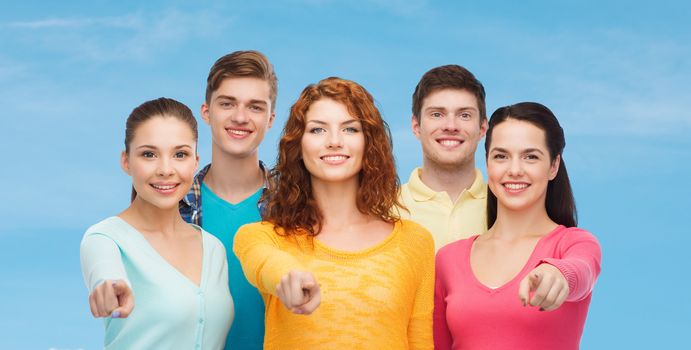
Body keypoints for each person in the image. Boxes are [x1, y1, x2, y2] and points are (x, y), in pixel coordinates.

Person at [234, 77, 435, 349]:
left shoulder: (415, 242)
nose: (334, 142)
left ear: (368, 143)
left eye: (350, 129)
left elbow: (420, 342)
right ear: (299, 146)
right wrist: (289, 275)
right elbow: (268, 265)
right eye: (318, 130)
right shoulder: (261, 238)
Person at [434, 102, 602, 350]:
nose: (514, 170)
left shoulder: (573, 244)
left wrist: (558, 273)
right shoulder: (448, 258)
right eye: (501, 156)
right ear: (488, 163)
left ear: (553, 166)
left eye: (530, 157)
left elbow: (581, 271)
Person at [80, 98, 233, 349]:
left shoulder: (214, 249)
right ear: (126, 161)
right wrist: (107, 287)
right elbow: (105, 273)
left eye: (180, 154)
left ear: (195, 162)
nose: (165, 169)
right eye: (149, 154)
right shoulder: (105, 238)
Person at [179, 50, 277, 350]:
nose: (240, 117)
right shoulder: (174, 207)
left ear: (270, 119)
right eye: (227, 103)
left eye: (255, 107)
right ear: (206, 112)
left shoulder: (298, 206)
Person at [399, 65, 488, 251]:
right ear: (416, 126)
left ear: (482, 129)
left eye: (464, 115)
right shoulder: (383, 209)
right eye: (437, 114)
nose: (450, 125)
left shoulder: (507, 207)